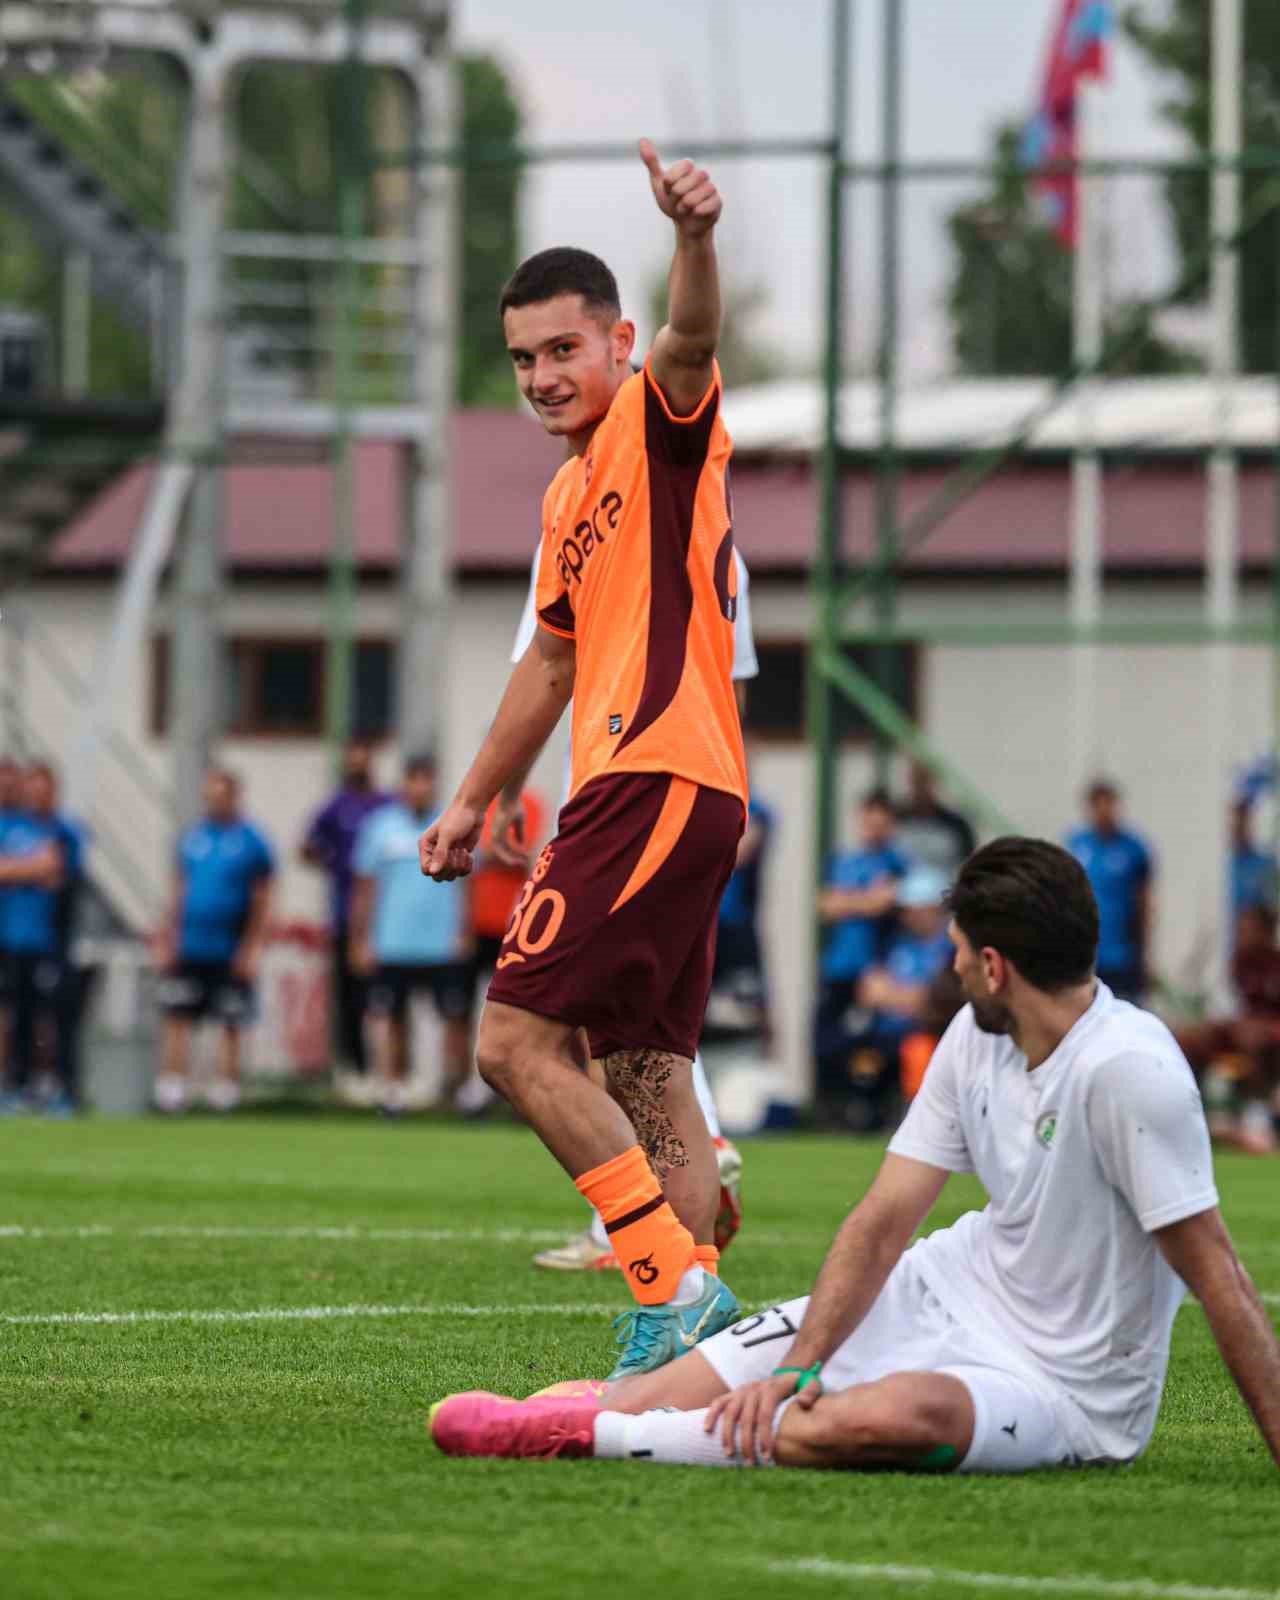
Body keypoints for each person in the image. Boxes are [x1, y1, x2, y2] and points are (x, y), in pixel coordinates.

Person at [430, 837, 1280, 1479]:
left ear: (994, 966)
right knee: (682, 1390)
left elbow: (1219, 1275)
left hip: (1064, 1388)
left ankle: (599, 1435)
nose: (949, 962)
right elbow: (883, 1221)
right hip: (942, 1288)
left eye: (958, 947)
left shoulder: (1130, 1071)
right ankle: (624, 1410)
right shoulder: (973, 1033)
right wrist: (802, 1363)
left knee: (889, 1418)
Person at [420, 140, 746, 1379]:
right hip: (668, 787)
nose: (543, 377)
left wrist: (693, 239)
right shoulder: (567, 500)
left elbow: (691, 338)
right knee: (646, 1074)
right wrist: (474, 798)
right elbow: (548, 665)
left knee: (512, 1043)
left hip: (653, 776)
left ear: (615, 342)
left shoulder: (654, 427)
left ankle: (672, 1287)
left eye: (563, 349)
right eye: (522, 359)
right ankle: (690, 1359)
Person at [508, 536, 757, 1272]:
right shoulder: (722, 545)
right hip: (699, 792)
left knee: (528, 1037)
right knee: (645, 1040)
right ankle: (686, 1284)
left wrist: (492, 792)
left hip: (620, 796)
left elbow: (547, 666)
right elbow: (733, 685)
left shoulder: (584, 520)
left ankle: (643, 1245)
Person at [350, 754, 471, 1116]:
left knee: (455, 1018)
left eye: (426, 780)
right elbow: (366, 887)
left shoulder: (451, 824)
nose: (420, 787)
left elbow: (469, 884)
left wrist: (464, 930)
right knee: (391, 1018)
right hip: (392, 943)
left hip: (441, 944)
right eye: (414, 779)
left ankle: (461, 1092)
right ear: (404, 784)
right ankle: (394, 1091)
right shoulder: (379, 827)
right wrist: (360, 938)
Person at [153, 768, 275, 1114]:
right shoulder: (193, 838)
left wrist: (252, 947)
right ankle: (173, 1089)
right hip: (191, 945)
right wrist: (169, 937)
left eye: (221, 795)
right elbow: (179, 890)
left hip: (229, 947)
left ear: (234, 796)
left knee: (230, 1019)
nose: (214, 802)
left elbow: (262, 898)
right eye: (209, 796)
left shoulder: (252, 841)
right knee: (178, 1015)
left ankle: (225, 1091)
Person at [299, 736, 390, 1085]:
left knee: (388, 998)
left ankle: (392, 1072)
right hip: (345, 916)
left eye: (362, 757)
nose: (358, 763)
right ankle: (355, 1069)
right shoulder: (337, 806)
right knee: (349, 997)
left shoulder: (386, 806)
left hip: (387, 921)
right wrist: (332, 861)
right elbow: (308, 847)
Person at [813, 789, 909, 1115]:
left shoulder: (897, 863)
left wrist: (848, 902)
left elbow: (887, 903)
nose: (874, 829)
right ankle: (831, 1105)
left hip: (873, 969)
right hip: (838, 967)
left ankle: (867, 1106)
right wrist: (867, 900)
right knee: (828, 1038)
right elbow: (826, 905)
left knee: (869, 1044)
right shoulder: (844, 860)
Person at [843, 865, 955, 1129]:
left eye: (915, 909)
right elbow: (868, 991)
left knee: (917, 1051)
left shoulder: (948, 948)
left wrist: (893, 996)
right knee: (857, 1058)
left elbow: (934, 1000)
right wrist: (904, 997)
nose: (908, 916)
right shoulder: (897, 944)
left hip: (927, 1035)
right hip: (885, 1037)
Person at [0, 762, 84, 1115]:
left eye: (43, 789)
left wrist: (19, 869)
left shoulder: (65, 830)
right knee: (16, 1016)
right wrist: (34, 867)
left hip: (51, 942)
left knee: (54, 1016)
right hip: (12, 940)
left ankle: (60, 1087)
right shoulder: (11, 827)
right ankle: (16, 1086)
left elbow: (60, 871)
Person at [1179, 902, 1280, 1157]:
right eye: (1239, 931)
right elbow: (1231, 1009)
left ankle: (1258, 1116)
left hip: (1268, 1041)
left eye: (1248, 931)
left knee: (1256, 1041)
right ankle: (1192, 1112)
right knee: (1190, 1039)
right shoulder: (1239, 964)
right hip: (1244, 1032)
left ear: (1266, 932)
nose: (1241, 937)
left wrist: (1264, 1028)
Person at [1066, 779, 1154, 1004]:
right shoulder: (1077, 845)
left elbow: (1144, 903)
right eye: (1098, 804)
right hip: (1087, 955)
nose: (1104, 811)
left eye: (1109, 804)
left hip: (1123, 957)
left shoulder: (1133, 849)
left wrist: (1145, 954)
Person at [895, 762, 976, 882]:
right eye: (916, 782)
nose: (920, 789)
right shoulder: (896, 820)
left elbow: (969, 864)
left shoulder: (957, 825)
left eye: (924, 782)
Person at [1230, 798, 1278, 934]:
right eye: (1235, 821)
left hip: (1257, 941)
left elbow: (1275, 907)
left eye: (1243, 820)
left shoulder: (1266, 865)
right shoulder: (1224, 867)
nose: (1238, 826)